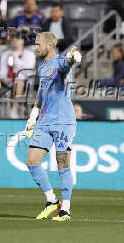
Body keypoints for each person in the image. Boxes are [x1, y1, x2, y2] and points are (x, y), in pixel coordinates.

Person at [24, 32, 82, 221]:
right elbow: (41, 93)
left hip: (63, 122)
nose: (36, 47)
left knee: (62, 163)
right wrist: (33, 115)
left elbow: (66, 65)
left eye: (39, 44)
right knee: (32, 161)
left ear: (50, 45)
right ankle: (51, 200)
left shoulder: (59, 63)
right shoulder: (42, 67)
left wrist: (71, 58)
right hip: (44, 122)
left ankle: (65, 209)